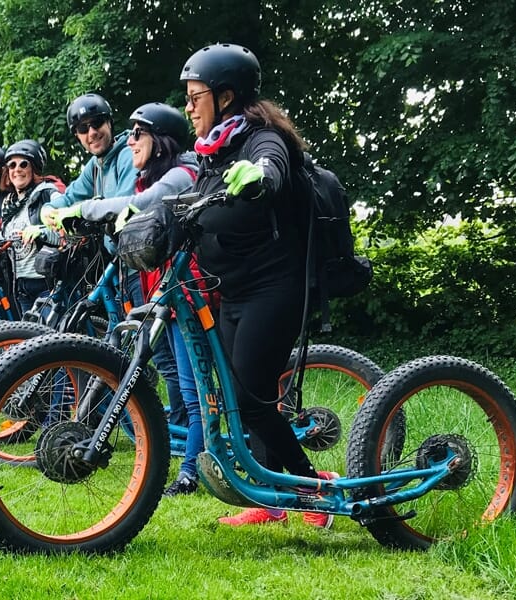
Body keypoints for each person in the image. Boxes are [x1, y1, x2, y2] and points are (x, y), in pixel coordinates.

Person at [180, 43, 338, 527]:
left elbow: (270, 168)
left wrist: (258, 176)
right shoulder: (212, 152)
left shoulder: (262, 139)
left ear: (225, 96)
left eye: (195, 97)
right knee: (243, 399)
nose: (188, 107)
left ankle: (313, 487)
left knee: (250, 400)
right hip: (233, 290)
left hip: (276, 288)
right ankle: (274, 501)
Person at [41, 97, 188, 450]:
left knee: (162, 350)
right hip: (127, 263)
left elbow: (129, 201)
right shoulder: (95, 166)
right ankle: (167, 422)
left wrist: (80, 209)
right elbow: (66, 197)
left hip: (143, 262)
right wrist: (51, 210)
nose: (92, 133)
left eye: (97, 124)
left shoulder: (125, 154)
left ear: (109, 123)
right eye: (83, 129)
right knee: (147, 345)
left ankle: (178, 425)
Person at [0, 139, 64, 316]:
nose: (16, 169)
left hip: (46, 282)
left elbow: (66, 232)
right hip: (20, 285)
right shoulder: (10, 203)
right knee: (28, 341)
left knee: (50, 339)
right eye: (11, 165)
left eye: (23, 164)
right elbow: (4, 240)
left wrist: (41, 232)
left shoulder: (48, 193)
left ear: (34, 167)